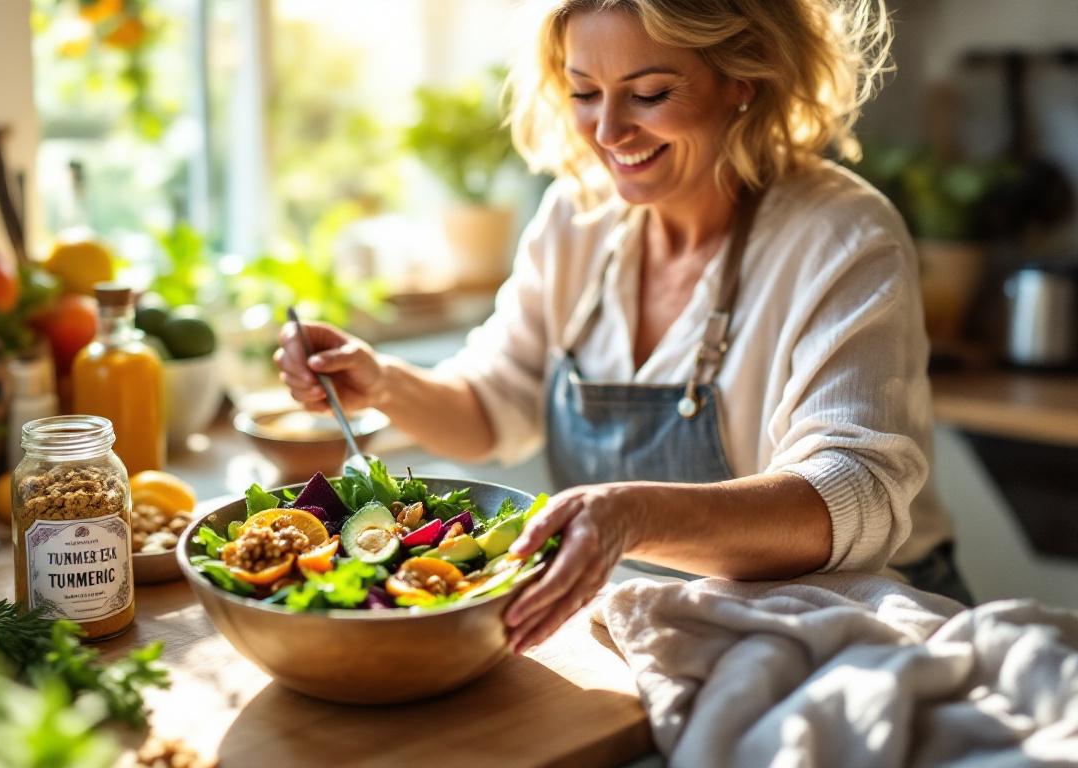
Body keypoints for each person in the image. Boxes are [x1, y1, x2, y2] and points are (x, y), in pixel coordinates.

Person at [274, 0, 971, 654]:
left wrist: (634, 516)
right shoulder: (576, 218)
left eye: (649, 94)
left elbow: (854, 492)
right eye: (584, 93)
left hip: (860, 622)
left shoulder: (839, 235)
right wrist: (381, 382)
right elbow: (493, 407)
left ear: (743, 79)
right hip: (657, 624)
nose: (608, 132)